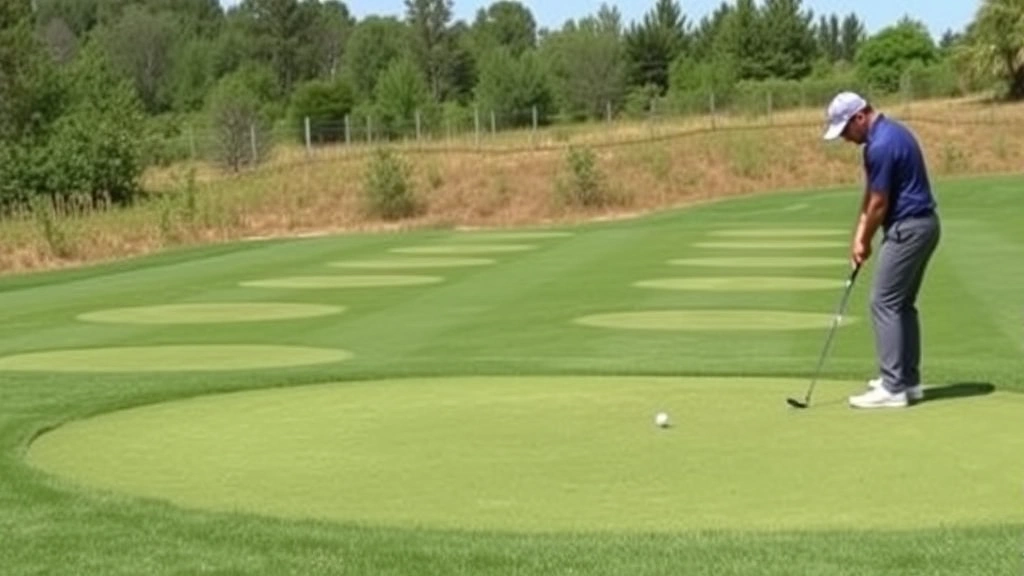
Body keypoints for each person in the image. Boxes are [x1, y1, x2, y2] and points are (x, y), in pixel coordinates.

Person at [822, 92, 941, 409]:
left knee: (883, 301)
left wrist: (865, 239)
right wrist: (859, 234)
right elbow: (872, 192)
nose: (846, 138)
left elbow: (879, 203)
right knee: (902, 304)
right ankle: (908, 381)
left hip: (908, 229)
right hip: (924, 225)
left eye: (846, 129)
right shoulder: (891, 134)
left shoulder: (881, 145)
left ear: (860, 117)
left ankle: (892, 386)